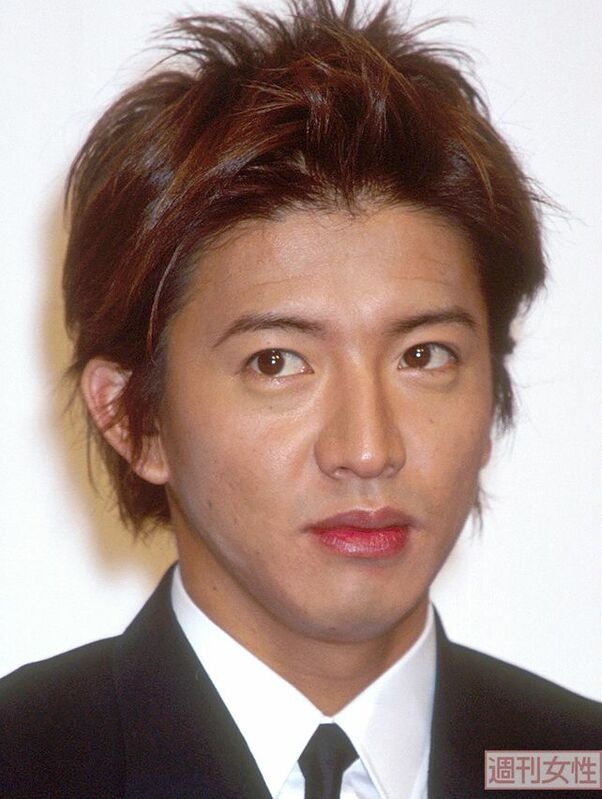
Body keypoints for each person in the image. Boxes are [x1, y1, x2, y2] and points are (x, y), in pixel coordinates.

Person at [0, 1, 599, 797]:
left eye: (424, 355)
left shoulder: (575, 763)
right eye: (277, 362)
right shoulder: (24, 761)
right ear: (132, 418)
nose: (368, 448)